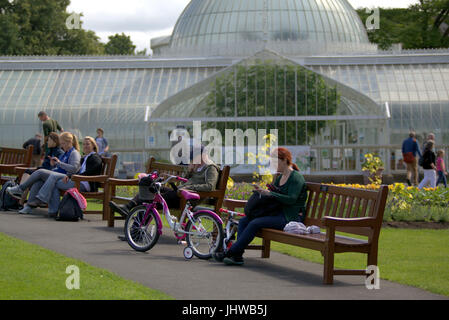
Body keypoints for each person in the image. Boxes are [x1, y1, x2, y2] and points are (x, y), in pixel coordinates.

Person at [214, 147, 308, 266]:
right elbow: (274, 196)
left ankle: (230, 252)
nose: (273, 164)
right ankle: (237, 255)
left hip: (290, 217)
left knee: (255, 223)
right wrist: (264, 192)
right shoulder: (279, 177)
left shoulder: (296, 178)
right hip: (277, 213)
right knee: (244, 221)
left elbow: (291, 199)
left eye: (275, 161)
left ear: (284, 160)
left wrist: (270, 193)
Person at [109, 145, 220, 240]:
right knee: (150, 189)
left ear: (203, 155)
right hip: (179, 194)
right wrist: (190, 171)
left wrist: (189, 187)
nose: (194, 160)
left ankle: (135, 233)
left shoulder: (211, 168)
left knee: (150, 201)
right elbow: (186, 180)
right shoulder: (198, 168)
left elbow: (210, 186)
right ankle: (129, 210)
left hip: (187, 198)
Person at [7, 132, 81, 215]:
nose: (62, 146)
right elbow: (60, 167)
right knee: (38, 181)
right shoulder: (65, 153)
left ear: (69, 142)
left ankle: (21, 189)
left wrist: (59, 163)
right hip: (58, 175)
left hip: (66, 177)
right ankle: (29, 207)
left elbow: (74, 168)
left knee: (40, 172)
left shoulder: (74, 153)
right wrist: (54, 165)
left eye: (63, 143)